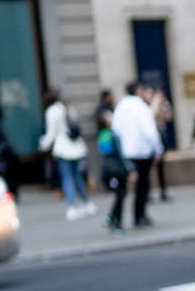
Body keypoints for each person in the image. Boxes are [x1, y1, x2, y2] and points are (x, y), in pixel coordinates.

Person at [110, 81, 163, 228]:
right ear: (138, 91)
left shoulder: (120, 107)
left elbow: (115, 129)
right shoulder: (141, 107)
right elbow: (150, 131)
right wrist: (158, 148)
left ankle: (115, 216)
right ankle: (139, 216)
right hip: (142, 152)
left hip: (125, 152)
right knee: (142, 185)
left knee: (123, 187)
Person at [39, 87, 94, 218]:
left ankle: (72, 206)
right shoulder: (69, 108)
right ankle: (86, 203)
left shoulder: (52, 111)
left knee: (67, 178)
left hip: (63, 149)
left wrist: (43, 145)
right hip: (76, 148)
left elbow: (51, 134)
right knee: (77, 176)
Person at [96, 110, 130, 235]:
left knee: (120, 195)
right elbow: (118, 153)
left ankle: (112, 218)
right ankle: (116, 224)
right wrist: (130, 169)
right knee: (120, 195)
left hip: (113, 169)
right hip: (116, 170)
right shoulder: (109, 134)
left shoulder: (108, 133)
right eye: (108, 116)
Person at [144, 85, 173, 201]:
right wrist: (155, 103)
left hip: (159, 138)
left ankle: (163, 192)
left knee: (161, 167)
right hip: (149, 141)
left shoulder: (159, 106)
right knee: (148, 169)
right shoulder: (145, 108)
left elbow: (168, 117)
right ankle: (148, 193)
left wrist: (165, 103)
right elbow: (152, 114)